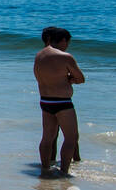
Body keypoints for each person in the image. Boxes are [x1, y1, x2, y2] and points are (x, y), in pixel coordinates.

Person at [34, 26, 85, 177]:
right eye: (67, 42)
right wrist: (70, 79)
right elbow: (81, 79)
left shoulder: (39, 55)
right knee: (71, 137)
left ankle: (45, 168)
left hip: (45, 101)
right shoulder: (65, 57)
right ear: (63, 40)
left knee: (47, 138)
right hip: (62, 102)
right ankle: (64, 172)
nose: (67, 46)